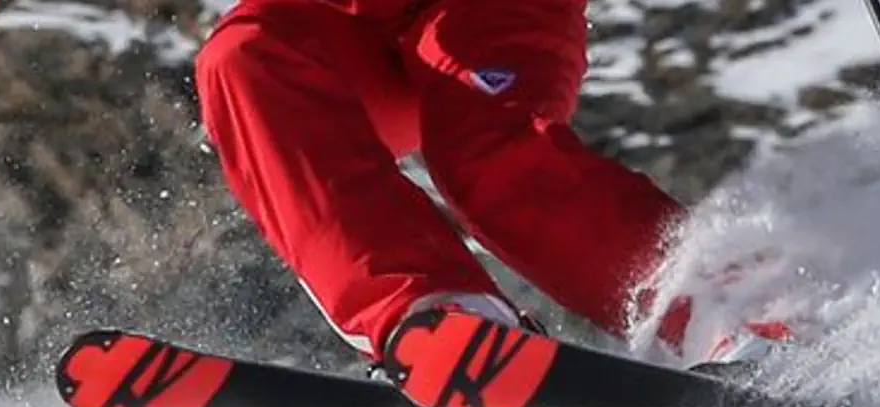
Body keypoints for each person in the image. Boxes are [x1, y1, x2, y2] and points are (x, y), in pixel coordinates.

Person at [192, 0, 787, 373]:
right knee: (243, 59)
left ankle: (731, 313)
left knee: (485, 151)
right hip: (342, 26)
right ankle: (440, 317)